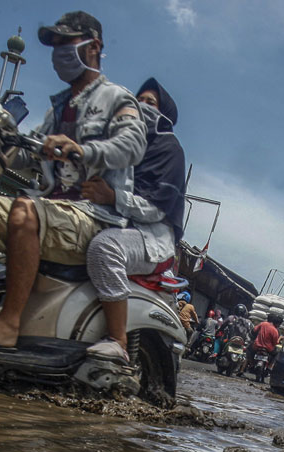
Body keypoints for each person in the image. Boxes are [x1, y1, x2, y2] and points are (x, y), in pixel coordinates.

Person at [0, 11, 147, 349]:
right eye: (55, 46)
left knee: (25, 211)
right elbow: (34, 152)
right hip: (54, 211)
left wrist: (83, 150)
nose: (58, 53)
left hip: (93, 218)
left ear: (94, 46)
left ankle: (8, 324)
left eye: (66, 43)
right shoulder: (58, 107)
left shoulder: (117, 98)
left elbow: (132, 144)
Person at [79, 77, 188, 363]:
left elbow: (157, 208)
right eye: (137, 100)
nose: (141, 106)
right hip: (111, 220)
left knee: (105, 249)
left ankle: (117, 339)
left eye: (150, 102)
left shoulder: (169, 150)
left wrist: (111, 196)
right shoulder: (122, 144)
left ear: (164, 113)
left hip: (150, 237)